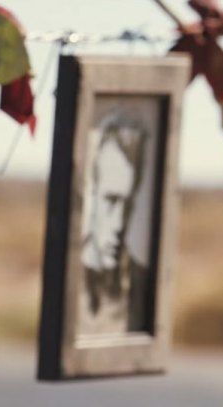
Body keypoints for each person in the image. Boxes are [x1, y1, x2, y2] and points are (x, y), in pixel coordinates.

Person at [81, 113, 150, 332]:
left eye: (128, 205)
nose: (120, 223)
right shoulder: (71, 274)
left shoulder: (140, 279)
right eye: (111, 201)